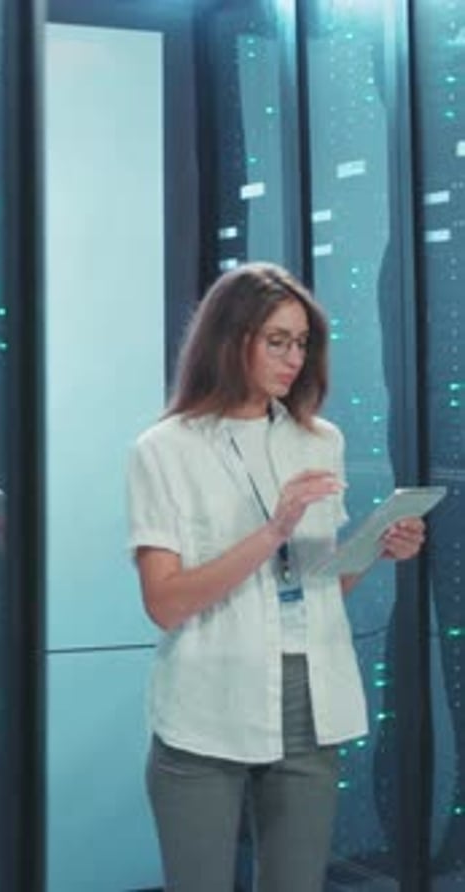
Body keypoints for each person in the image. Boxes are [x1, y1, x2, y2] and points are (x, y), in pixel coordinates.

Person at [127, 262, 425, 892]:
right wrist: (273, 531)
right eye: (277, 341)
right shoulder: (164, 449)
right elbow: (164, 603)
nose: (295, 358)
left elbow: (318, 588)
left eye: (303, 343)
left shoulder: (320, 440)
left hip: (311, 700)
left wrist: (375, 548)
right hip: (207, 702)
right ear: (232, 340)